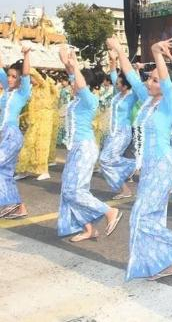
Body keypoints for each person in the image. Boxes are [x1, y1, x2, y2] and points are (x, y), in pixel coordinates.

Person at [108, 37, 172, 281]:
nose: (149, 82)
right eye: (150, 78)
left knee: (140, 216)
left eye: (154, 79)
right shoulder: (146, 101)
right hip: (147, 169)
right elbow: (130, 74)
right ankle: (160, 263)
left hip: (162, 167)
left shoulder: (171, 103)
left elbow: (167, 82)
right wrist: (118, 49)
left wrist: (157, 53)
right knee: (152, 217)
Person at [56, 46, 122, 242]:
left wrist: (75, 65)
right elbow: (73, 79)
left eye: (76, 81)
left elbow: (81, 84)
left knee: (75, 191)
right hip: (76, 149)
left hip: (85, 149)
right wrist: (66, 62)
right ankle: (88, 229)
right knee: (69, 190)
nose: (72, 84)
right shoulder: (76, 99)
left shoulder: (89, 100)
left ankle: (109, 211)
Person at [98, 51, 137, 200]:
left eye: (119, 83)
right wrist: (113, 59)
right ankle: (125, 189)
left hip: (123, 132)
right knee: (106, 162)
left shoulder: (132, 96)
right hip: (113, 132)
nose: (116, 84)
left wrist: (132, 68)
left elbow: (135, 82)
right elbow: (113, 72)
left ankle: (135, 164)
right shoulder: (117, 93)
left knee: (106, 159)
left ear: (125, 85)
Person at [0, 47, 32, 219]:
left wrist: (26, 55)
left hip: (12, 136)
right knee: (4, 172)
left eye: (14, 77)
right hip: (4, 135)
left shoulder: (22, 92)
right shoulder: (7, 91)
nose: (10, 79)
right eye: (9, 76)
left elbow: (26, 74)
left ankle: (13, 205)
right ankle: (18, 206)